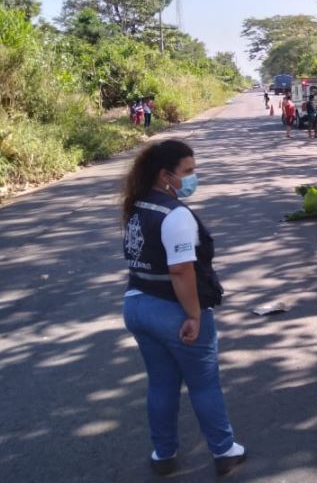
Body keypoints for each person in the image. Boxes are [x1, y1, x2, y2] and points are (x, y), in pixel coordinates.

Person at [120, 139, 245, 476]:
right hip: (172, 309)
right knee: (204, 384)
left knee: (160, 383)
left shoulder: (138, 205)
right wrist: (193, 315)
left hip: (137, 304)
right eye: (187, 172)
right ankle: (224, 450)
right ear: (165, 175)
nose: (193, 178)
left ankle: (163, 453)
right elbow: (180, 270)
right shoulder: (175, 215)